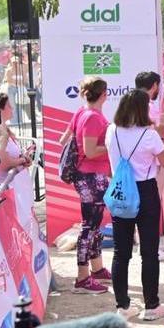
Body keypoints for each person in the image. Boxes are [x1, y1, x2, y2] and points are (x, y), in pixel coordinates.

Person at [108, 89, 164, 320]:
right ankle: (151, 305)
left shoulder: (111, 131)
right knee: (149, 252)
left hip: (121, 190)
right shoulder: (149, 135)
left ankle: (122, 306)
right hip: (144, 191)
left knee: (120, 253)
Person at [59, 78, 113, 293]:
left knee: (95, 224)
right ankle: (82, 278)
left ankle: (97, 268)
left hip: (89, 176)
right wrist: (110, 144)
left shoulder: (82, 112)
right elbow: (90, 152)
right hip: (91, 177)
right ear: (104, 94)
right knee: (89, 227)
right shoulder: (92, 117)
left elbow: (64, 140)